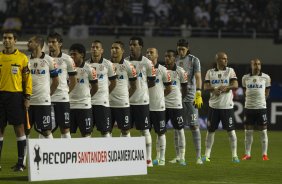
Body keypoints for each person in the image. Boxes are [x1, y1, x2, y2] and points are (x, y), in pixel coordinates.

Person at [0, 30, 32, 171]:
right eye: (4, 38)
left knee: (19, 129)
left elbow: (27, 79)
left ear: (15, 41)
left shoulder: (22, 58)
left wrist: (27, 97)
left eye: (9, 38)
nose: (6, 40)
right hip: (0, 97)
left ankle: (21, 163)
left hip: (15, 96)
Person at [202, 51, 240, 163]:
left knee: (231, 131)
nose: (226, 60)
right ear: (217, 60)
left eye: (226, 58)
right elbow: (205, 86)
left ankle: (234, 156)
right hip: (213, 106)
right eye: (223, 58)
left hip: (227, 107)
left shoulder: (230, 71)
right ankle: (207, 155)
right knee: (210, 131)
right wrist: (214, 89)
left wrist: (226, 87)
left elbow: (236, 85)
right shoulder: (210, 72)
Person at [171, 39, 203, 165]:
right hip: (177, 96)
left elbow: (198, 77)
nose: (180, 51)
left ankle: (198, 156)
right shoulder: (174, 59)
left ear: (187, 48)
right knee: (177, 127)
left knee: (194, 125)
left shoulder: (194, 60)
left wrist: (199, 93)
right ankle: (178, 156)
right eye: (179, 49)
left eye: (183, 49)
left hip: (190, 97)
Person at [126, 36, 156, 167]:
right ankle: (126, 159)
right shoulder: (125, 61)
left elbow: (152, 81)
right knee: (125, 130)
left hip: (142, 101)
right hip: (126, 102)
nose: (131, 47)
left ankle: (148, 159)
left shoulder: (147, 63)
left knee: (144, 130)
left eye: (134, 45)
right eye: (130, 45)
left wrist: (141, 89)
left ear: (140, 47)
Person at [27, 35, 59, 139]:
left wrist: (48, 95)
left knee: (46, 130)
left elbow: (56, 81)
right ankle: (23, 156)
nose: (28, 44)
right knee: (25, 130)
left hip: (42, 102)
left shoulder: (49, 60)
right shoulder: (26, 60)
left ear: (37, 44)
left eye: (30, 42)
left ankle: (52, 153)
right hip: (28, 102)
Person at [47, 32, 77, 139]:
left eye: (53, 42)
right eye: (49, 42)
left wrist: (66, 92)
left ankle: (67, 153)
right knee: (46, 129)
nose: (50, 44)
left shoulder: (67, 59)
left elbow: (73, 80)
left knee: (65, 129)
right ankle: (47, 153)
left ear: (60, 44)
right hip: (47, 99)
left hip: (62, 99)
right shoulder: (44, 59)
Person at [146, 48, 172, 166]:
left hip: (158, 107)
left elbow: (169, 88)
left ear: (157, 55)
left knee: (161, 132)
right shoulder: (143, 68)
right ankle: (148, 158)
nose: (149, 54)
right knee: (146, 132)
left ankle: (162, 158)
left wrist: (160, 96)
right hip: (145, 106)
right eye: (147, 53)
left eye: (151, 52)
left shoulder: (163, 70)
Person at [241, 58, 271, 161]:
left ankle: (264, 155)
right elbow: (245, 91)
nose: (257, 66)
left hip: (261, 108)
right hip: (249, 107)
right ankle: (247, 154)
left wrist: (261, 100)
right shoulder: (245, 78)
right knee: (248, 132)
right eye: (255, 64)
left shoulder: (266, 77)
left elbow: (267, 91)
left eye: (258, 64)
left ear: (260, 65)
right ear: (251, 65)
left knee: (263, 132)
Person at [86, 40, 117, 137]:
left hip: (102, 102)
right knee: (87, 132)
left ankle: (106, 152)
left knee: (105, 132)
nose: (94, 49)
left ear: (101, 50)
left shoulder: (108, 64)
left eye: (97, 47)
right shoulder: (86, 64)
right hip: (88, 103)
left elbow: (113, 82)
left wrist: (105, 94)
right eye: (93, 47)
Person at [69, 43, 98, 138]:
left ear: (82, 54)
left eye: (74, 54)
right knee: (66, 132)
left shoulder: (89, 69)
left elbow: (95, 87)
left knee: (86, 134)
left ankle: (87, 152)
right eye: (71, 54)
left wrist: (86, 97)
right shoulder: (67, 68)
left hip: (84, 106)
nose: (72, 56)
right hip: (69, 105)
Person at [164, 49, 188, 166]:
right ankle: (162, 157)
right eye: (165, 56)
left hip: (176, 105)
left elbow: (185, 88)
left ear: (175, 58)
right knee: (161, 131)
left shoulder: (180, 71)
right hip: (163, 105)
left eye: (169, 56)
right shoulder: (161, 70)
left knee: (179, 130)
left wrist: (178, 99)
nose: (167, 58)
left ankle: (182, 157)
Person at [109, 41, 137, 137]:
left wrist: (125, 97)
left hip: (122, 104)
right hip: (108, 103)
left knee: (125, 130)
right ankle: (109, 151)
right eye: (112, 48)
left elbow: (134, 86)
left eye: (117, 48)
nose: (114, 50)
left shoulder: (129, 66)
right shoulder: (106, 65)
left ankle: (125, 151)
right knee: (107, 131)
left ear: (123, 51)